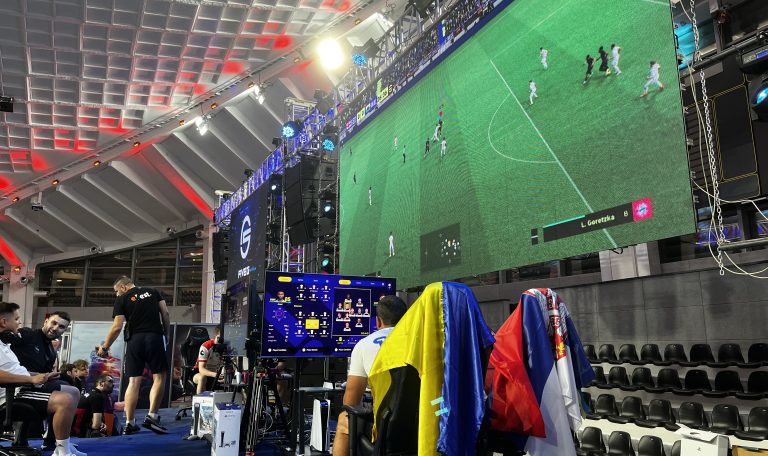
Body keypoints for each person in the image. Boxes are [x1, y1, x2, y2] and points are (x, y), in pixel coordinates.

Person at [0, 302, 84, 456]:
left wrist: (42, 376)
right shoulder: (25, 335)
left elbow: (16, 369)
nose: (20, 322)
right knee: (66, 398)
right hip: (14, 390)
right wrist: (31, 379)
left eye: (61, 327)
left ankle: (59, 444)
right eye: (16, 319)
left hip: (24, 384)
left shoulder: (7, 348)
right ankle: (61, 449)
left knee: (72, 390)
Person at [331, 296, 407, 456]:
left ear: (378, 321)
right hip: (428, 418)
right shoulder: (423, 342)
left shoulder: (364, 345)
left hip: (387, 424)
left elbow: (350, 402)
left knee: (344, 418)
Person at [96, 276, 170, 435]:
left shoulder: (121, 299)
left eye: (117, 291)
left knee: (134, 380)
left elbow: (117, 327)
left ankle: (130, 422)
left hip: (134, 340)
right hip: (154, 337)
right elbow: (165, 313)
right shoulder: (153, 292)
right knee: (159, 376)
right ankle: (152, 416)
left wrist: (105, 347)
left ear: (123, 287)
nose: (116, 294)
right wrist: (167, 334)